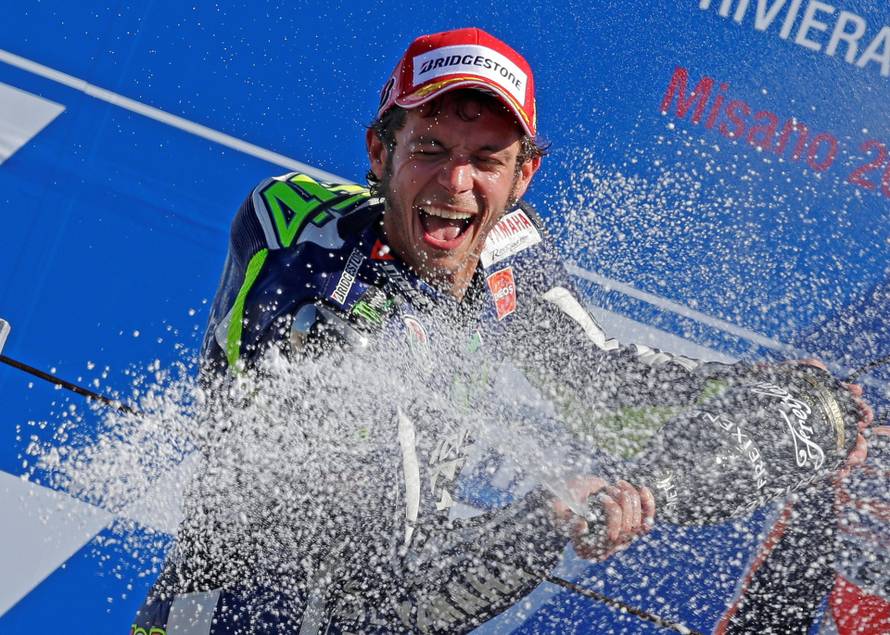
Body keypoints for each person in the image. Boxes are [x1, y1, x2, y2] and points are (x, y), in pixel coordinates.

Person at [133, 27, 874, 634]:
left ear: (523, 177)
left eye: (486, 160)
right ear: (380, 153)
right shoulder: (312, 270)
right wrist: (545, 522)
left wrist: (758, 390)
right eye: (430, 149)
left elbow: (606, 388)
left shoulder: (509, 250)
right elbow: (393, 603)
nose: (456, 183)